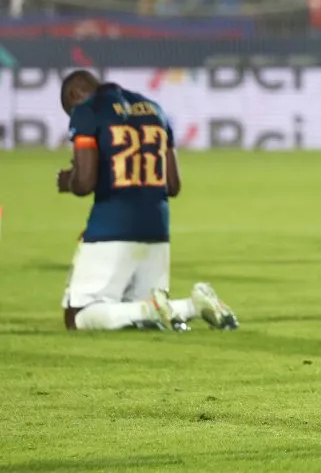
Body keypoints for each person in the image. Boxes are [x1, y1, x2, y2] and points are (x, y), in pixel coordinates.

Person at [57, 70, 237, 332]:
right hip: (157, 230)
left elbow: (84, 183)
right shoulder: (155, 109)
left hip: (111, 227)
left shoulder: (87, 110)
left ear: (74, 95)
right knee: (137, 316)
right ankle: (192, 306)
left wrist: (68, 180)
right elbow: (173, 185)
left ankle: (152, 307)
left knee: (77, 317)